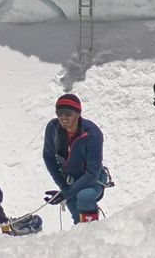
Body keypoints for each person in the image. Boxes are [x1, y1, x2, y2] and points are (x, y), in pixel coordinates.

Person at [43, 93, 109, 223]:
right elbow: (48, 157)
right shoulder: (53, 129)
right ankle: (84, 236)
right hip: (69, 181)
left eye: (67, 113)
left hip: (93, 180)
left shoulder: (92, 134)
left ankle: (92, 232)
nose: (63, 117)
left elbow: (92, 173)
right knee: (78, 218)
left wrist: (66, 193)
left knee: (85, 197)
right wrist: (63, 187)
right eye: (59, 112)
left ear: (78, 113)